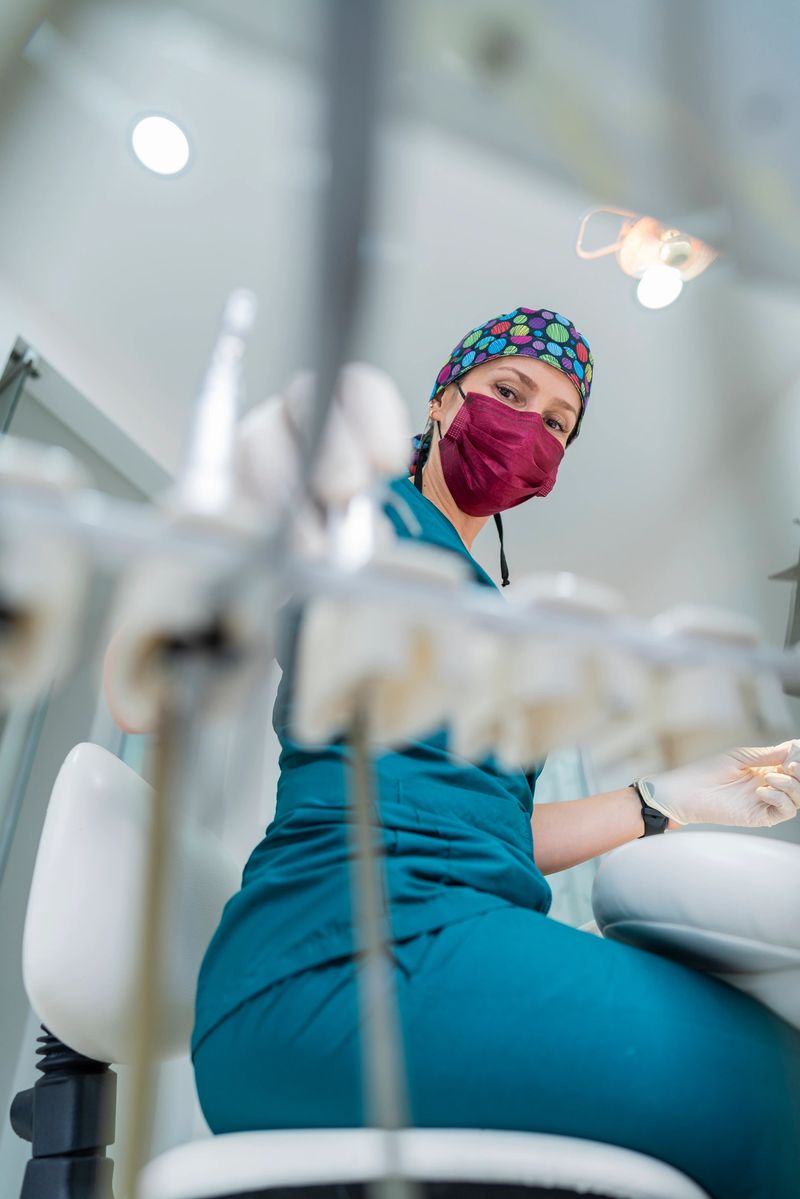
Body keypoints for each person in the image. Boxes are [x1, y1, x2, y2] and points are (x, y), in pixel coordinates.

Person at [190, 306, 800, 1199]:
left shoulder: (493, 604)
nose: (529, 428)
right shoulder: (373, 518)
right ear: (444, 400)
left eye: (557, 422)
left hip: (450, 928)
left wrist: (668, 800)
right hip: (336, 956)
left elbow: (490, 835)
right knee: (771, 1091)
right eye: (508, 392)